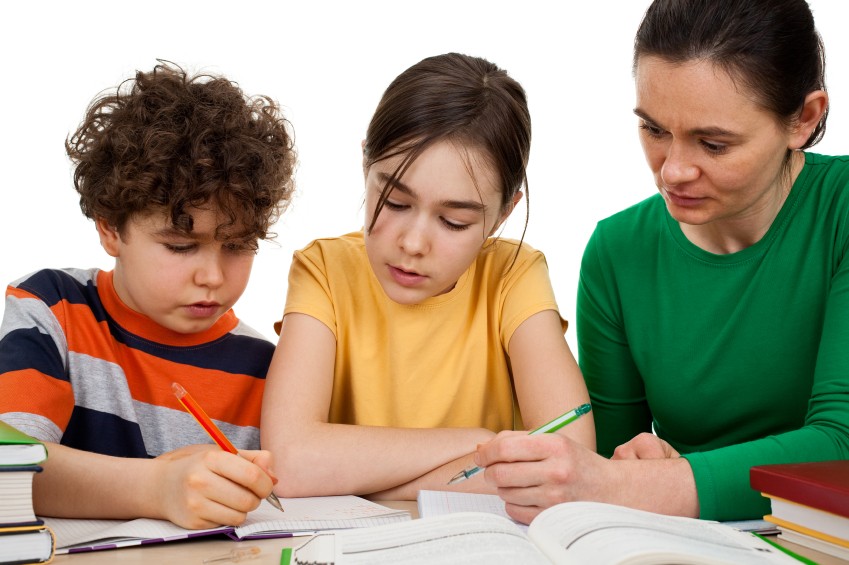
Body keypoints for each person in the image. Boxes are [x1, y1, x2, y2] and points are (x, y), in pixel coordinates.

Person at [474, 0, 849, 524]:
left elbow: (841, 448)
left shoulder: (842, 211)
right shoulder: (618, 251)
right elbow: (608, 463)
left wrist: (657, 483)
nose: (671, 172)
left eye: (713, 144)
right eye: (653, 130)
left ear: (804, 119)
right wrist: (644, 463)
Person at [260, 52, 594, 499]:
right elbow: (291, 462)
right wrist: (478, 444)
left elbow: (565, 460)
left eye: (454, 222)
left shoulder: (515, 275)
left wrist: (367, 483)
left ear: (501, 216)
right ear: (366, 165)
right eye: (395, 202)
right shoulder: (323, 270)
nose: (414, 243)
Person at [0, 62, 297, 529]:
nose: (213, 276)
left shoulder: (266, 366)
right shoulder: (51, 309)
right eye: (181, 246)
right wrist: (158, 487)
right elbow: (9, 469)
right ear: (110, 229)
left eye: (238, 246)